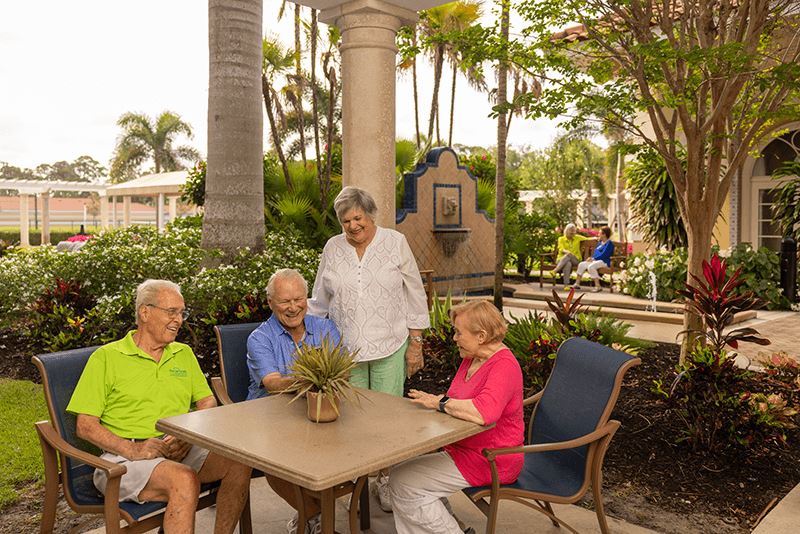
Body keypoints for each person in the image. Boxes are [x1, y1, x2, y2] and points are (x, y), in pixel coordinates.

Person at [66, 279, 252, 534]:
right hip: (122, 461)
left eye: (182, 312)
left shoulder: (182, 353)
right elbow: (85, 426)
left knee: (240, 459)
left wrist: (187, 434)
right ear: (145, 312)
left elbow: (207, 401)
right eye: (171, 312)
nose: (179, 320)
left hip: (178, 448)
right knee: (183, 480)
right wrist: (132, 449)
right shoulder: (107, 358)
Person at [308, 186, 431, 511]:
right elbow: (320, 299)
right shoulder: (333, 248)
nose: (351, 226)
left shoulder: (394, 242)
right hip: (345, 351)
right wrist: (311, 340)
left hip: (390, 344)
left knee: (388, 421)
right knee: (352, 422)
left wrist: (415, 342)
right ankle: (359, 484)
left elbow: (415, 292)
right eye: (345, 221)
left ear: (369, 214)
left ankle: (387, 482)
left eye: (357, 218)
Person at [388, 300, 524, 534]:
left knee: (404, 483)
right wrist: (439, 403)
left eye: (458, 332)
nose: (454, 338)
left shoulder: (504, 366)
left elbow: (484, 412)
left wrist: (440, 402)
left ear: (481, 336)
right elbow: (456, 400)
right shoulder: (472, 358)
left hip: (492, 458)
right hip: (463, 448)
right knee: (401, 470)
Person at [246, 268, 340, 534]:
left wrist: (322, 379)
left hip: (318, 414)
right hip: (270, 417)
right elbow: (273, 384)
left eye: (299, 299)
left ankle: (314, 516)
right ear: (270, 303)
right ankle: (316, 516)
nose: (293, 307)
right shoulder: (260, 338)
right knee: (274, 460)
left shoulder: (325, 327)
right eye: (285, 301)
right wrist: (316, 378)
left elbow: (341, 370)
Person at [574, 226, 615, 292]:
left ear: (604, 234)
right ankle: (577, 284)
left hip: (604, 262)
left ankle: (598, 286)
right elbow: (595, 254)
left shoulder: (609, 244)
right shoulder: (599, 243)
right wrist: (591, 258)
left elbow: (605, 255)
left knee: (591, 267)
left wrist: (593, 259)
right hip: (596, 261)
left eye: (600, 233)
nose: (598, 234)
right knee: (582, 264)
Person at [552, 223, 588, 290]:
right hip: (561, 260)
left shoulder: (577, 238)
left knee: (569, 255)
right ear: (566, 231)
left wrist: (596, 238)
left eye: (574, 231)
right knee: (568, 264)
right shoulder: (561, 239)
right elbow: (561, 248)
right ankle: (566, 285)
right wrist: (566, 252)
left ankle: (555, 270)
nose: (572, 232)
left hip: (575, 260)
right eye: (571, 231)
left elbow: (588, 239)